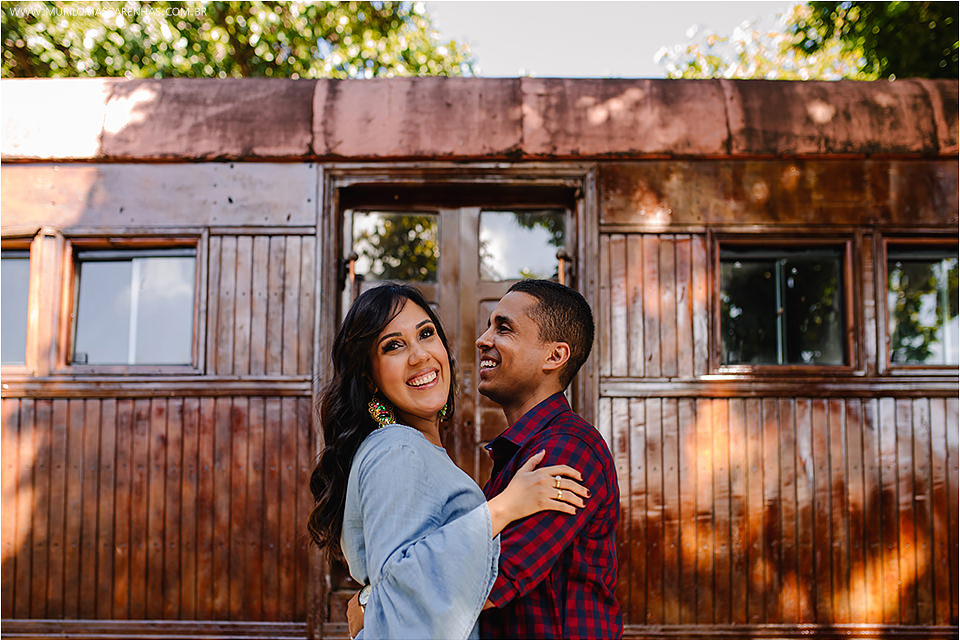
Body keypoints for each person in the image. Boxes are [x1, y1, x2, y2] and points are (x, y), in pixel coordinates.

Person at [307, 283, 590, 640]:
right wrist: (502, 509)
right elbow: (409, 584)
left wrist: (369, 601)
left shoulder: (423, 453)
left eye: (426, 334)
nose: (419, 356)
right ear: (369, 377)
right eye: (393, 346)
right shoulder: (397, 449)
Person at [475, 279, 622, 639]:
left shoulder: (568, 449)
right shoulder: (521, 452)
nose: (483, 339)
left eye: (503, 328)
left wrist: (375, 602)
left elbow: (485, 582)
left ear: (554, 356)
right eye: (490, 325)